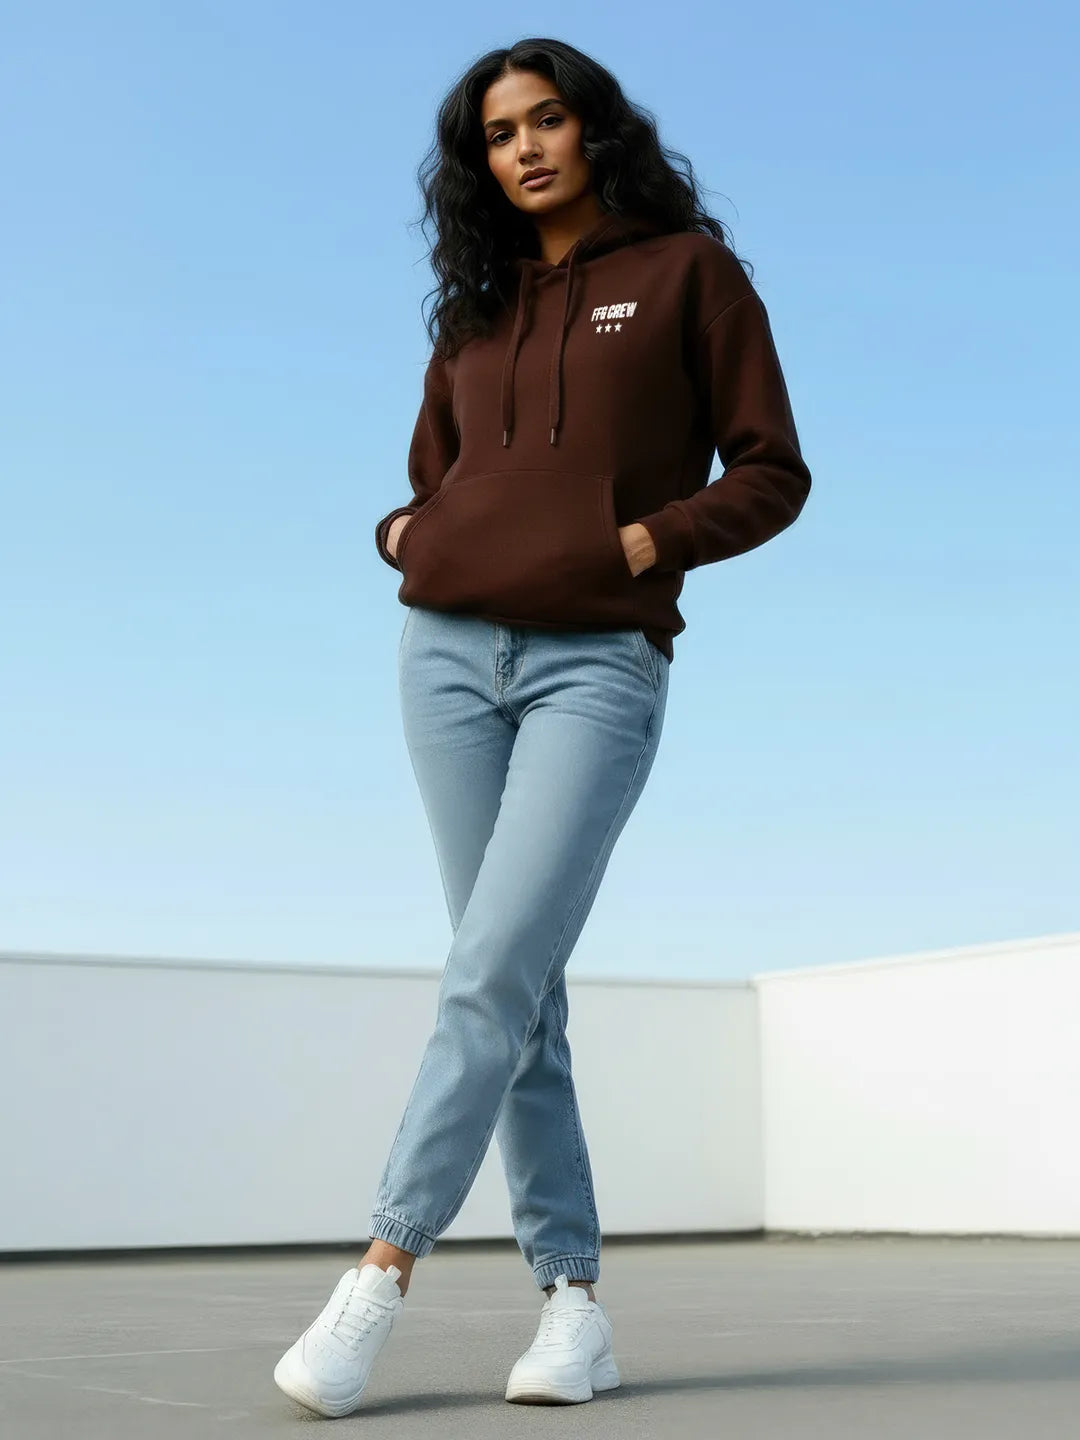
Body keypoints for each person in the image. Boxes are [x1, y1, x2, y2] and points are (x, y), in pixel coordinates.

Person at [273, 35, 811, 1418]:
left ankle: (380, 1272)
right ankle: (572, 1307)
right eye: (499, 133)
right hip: (446, 659)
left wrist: (646, 541)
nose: (524, 147)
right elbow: (431, 479)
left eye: (546, 119)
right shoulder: (475, 307)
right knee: (516, 989)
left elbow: (772, 470)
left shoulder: (688, 274)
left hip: (597, 665)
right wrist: (402, 534)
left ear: (593, 129)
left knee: (490, 973)